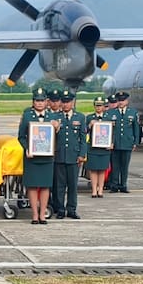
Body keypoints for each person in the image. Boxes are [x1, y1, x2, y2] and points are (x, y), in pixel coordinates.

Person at [19, 88, 57, 223]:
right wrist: (27, 149)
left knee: (45, 186)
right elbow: (21, 136)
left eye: (42, 101)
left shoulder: (53, 116)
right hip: (32, 157)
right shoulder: (27, 115)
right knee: (32, 185)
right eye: (37, 100)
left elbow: (56, 137)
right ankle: (34, 214)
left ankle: (43, 213)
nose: (39, 103)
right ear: (33, 102)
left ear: (46, 102)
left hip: (47, 157)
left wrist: (56, 127)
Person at [52, 89, 86, 218]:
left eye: (68, 102)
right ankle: (60, 209)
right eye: (64, 102)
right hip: (59, 155)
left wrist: (82, 154)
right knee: (59, 186)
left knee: (72, 185)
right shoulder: (55, 117)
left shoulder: (80, 117)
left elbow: (83, 138)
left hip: (73, 156)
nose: (65, 104)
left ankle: (71, 209)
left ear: (72, 102)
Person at [107, 90, 141, 192]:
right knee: (115, 165)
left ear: (127, 101)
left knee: (124, 166)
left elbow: (136, 128)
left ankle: (123, 185)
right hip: (115, 143)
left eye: (123, 100)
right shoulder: (111, 113)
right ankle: (114, 185)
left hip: (127, 142)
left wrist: (135, 142)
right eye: (119, 100)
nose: (121, 102)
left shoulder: (133, 112)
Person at [84, 96, 112, 198]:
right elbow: (84, 131)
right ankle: (94, 190)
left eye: (100, 106)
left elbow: (113, 133)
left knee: (102, 169)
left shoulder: (108, 118)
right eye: (97, 106)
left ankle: (100, 189)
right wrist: (89, 125)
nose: (99, 108)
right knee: (93, 169)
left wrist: (112, 143)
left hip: (104, 148)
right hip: (93, 147)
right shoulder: (90, 117)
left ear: (104, 106)